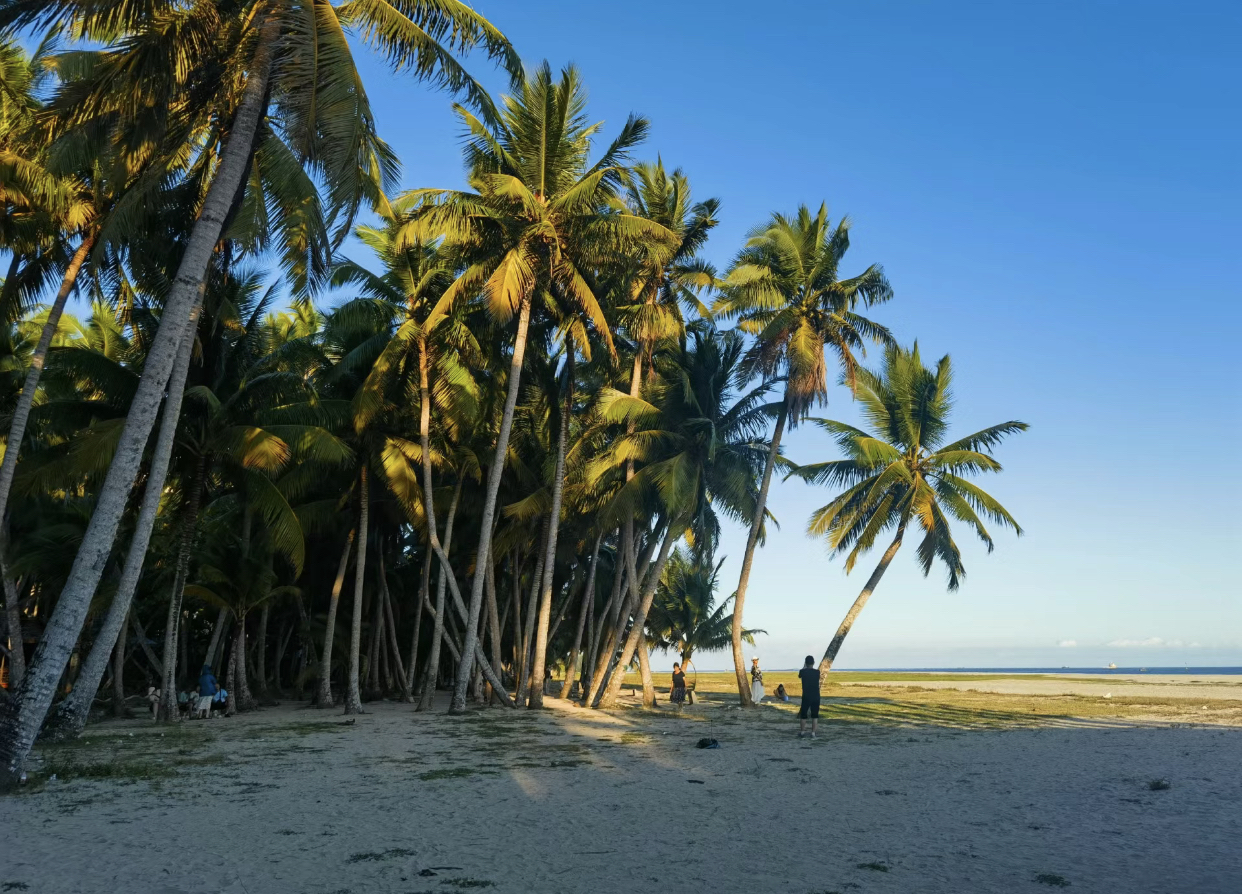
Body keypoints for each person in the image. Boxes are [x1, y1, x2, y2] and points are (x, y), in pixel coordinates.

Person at [797, 655, 821, 739]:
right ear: (813, 663)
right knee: (815, 715)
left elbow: (799, 676)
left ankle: (803, 732)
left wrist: (804, 666)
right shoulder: (817, 672)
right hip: (816, 695)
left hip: (806, 695)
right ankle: (813, 733)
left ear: (805, 663)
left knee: (804, 714)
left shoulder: (802, 672)